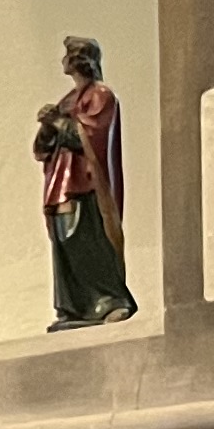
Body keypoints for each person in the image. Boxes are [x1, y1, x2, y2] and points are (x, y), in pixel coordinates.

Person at [32, 34, 136, 330]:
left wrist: (58, 123)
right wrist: (46, 128)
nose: (66, 60)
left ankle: (111, 301)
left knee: (88, 243)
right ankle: (74, 305)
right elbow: (44, 149)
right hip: (61, 185)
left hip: (85, 185)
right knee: (65, 243)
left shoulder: (101, 96)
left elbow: (91, 135)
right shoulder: (67, 101)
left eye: (71, 55)